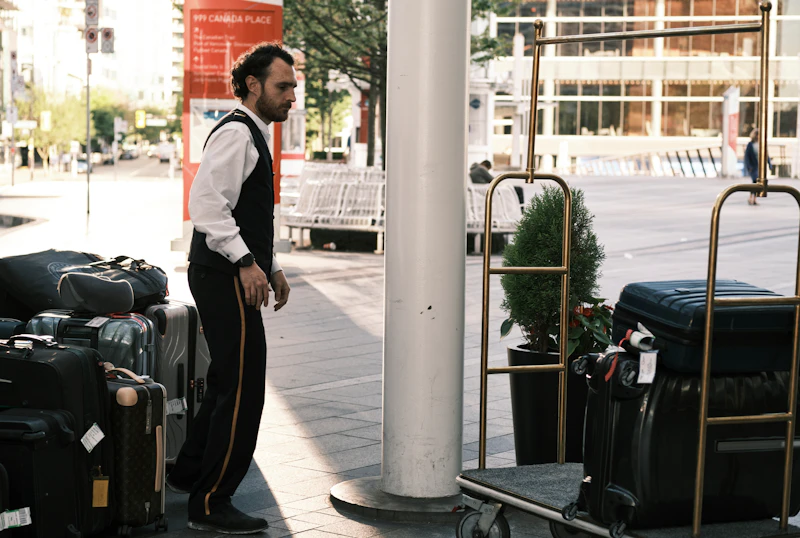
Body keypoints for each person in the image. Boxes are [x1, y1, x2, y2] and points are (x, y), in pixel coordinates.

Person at [165, 42, 295, 535]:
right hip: (223, 274)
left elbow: (248, 214)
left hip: (228, 270)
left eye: (293, 88)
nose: (291, 97)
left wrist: (271, 265)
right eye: (283, 87)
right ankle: (211, 502)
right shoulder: (238, 132)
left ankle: (189, 474)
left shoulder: (253, 134)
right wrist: (245, 263)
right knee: (244, 386)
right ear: (253, 86)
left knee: (226, 378)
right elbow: (207, 204)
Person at [744, 128, 772, 206]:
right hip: (753, 167)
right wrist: (748, 166)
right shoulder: (750, 144)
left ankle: (753, 198)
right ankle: (751, 198)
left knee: (756, 183)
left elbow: (766, 155)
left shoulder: (762, 144)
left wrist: (769, 164)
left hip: (760, 167)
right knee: (755, 181)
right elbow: (747, 156)